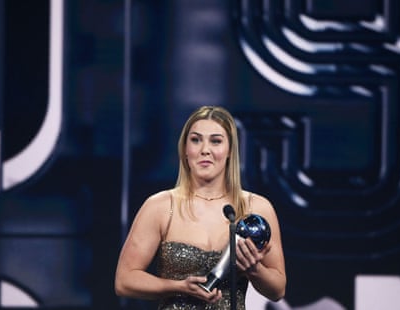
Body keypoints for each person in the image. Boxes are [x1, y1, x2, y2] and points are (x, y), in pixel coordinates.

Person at [115, 105, 286, 309]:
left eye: (216, 141)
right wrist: (177, 286)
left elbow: (278, 291)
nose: (205, 149)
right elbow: (125, 281)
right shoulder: (160, 206)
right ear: (185, 150)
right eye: (196, 140)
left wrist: (254, 269)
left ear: (230, 150)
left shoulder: (256, 208)